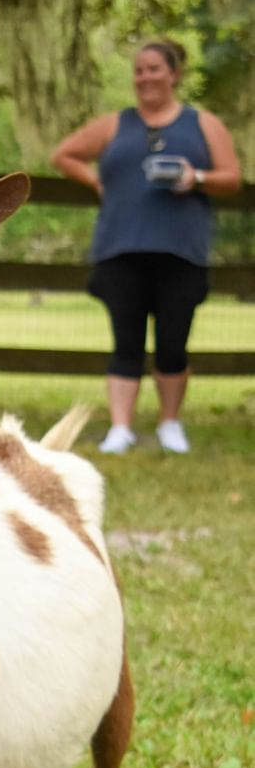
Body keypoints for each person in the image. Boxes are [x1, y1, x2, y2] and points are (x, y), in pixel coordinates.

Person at [52, 38, 243, 455]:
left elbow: (232, 177)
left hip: (181, 249)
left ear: (173, 74)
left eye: (154, 69)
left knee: (173, 342)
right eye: (139, 70)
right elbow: (64, 155)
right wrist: (98, 181)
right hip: (122, 248)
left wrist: (198, 178)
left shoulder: (202, 124)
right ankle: (120, 429)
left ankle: (170, 424)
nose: (145, 77)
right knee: (126, 342)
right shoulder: (115, 125)